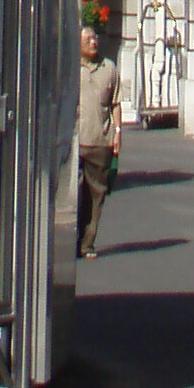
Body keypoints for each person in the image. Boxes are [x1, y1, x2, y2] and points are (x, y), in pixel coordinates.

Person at [76, 17, 124, 260]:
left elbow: (116, 104)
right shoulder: (72, 69)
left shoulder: (109, 69)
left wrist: (117, 133)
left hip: (100, 141)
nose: (93, 42)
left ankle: (87, 243)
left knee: (96, 196)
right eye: (87, 39)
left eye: (94, 38)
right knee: (75, 194)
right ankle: (73, 240)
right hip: (75, 141)